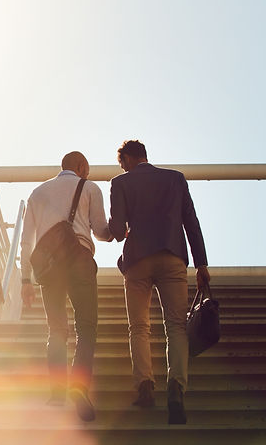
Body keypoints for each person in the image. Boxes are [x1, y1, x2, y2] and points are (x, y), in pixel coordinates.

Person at [108, 140, 210, 424]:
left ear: (127, 159)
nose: (123, 168)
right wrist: (201, 263)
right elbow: (191, 221)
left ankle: (144, 386)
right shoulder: (175, 179)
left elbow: (116, 230)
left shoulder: (120, 183)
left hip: (137, 261)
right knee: (176, 325)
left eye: (122, 164)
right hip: (172, 256)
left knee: (138, 326)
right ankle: (176, 388)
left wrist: (122, 229)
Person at [20, 151, 111, 422]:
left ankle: (57, 392)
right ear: (82, 167)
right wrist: (119, 232)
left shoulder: (38, 193)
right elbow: (101, 230)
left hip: (49, 267)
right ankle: (78, 386)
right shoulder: (90, 188)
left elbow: (26, 242)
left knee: (56, 328)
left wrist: (26, 280)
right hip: (80, 259)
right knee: (86, 326)